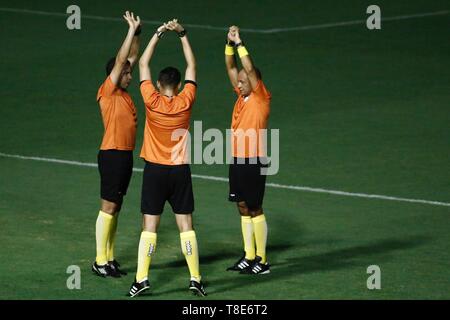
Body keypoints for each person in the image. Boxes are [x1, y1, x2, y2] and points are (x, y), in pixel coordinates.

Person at [128, 19, 206, 297]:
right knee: (186, 226)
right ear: (180, 84)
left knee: (150, 226)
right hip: (180, 171)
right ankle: (195, 278)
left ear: (159, 84)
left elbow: (142, 64)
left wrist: (159, 33)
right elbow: (193, 67)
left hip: (155, 172)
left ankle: (141, 279)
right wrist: (183, 33)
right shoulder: (186, 101)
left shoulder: (151, 99)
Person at [92, 11, 141, 278]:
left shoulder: (123, 93)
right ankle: (99, 261)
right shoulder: (108, 90)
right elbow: (123, 59)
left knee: (116, 208)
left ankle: (109, 258)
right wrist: (129, 30)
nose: (130, 76)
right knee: (108, 207)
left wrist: (138, 32)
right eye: (126, 74)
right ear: (115, 74)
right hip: (111, 154)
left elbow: (131, 57)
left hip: (124, 156)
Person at [224, 26, 271, 275]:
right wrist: (229, 44)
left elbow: (248, 70)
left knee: (255, 207)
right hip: (238, 159)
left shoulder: (261, 97)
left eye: (243, 82)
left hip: (254, 160)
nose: (239, 84)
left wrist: (241, 43)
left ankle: (262, 261)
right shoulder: (242, 96)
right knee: (242, 206)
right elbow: (232, 68)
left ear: (254, 83)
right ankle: (249, 255)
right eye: (239, 82)